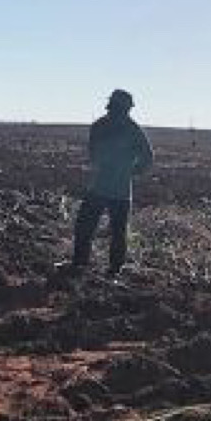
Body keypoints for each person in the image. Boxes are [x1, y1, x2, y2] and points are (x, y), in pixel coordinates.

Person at [68, 89, 154, 279]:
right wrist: (130, 171)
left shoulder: (102, 126)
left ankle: (83, 264)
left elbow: (93, 154)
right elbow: (148, 158)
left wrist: (123, 170)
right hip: (114, 189)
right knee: (114, 232)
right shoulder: (132, 129)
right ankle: (110, 270)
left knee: (93, 228)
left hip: (103, 187)